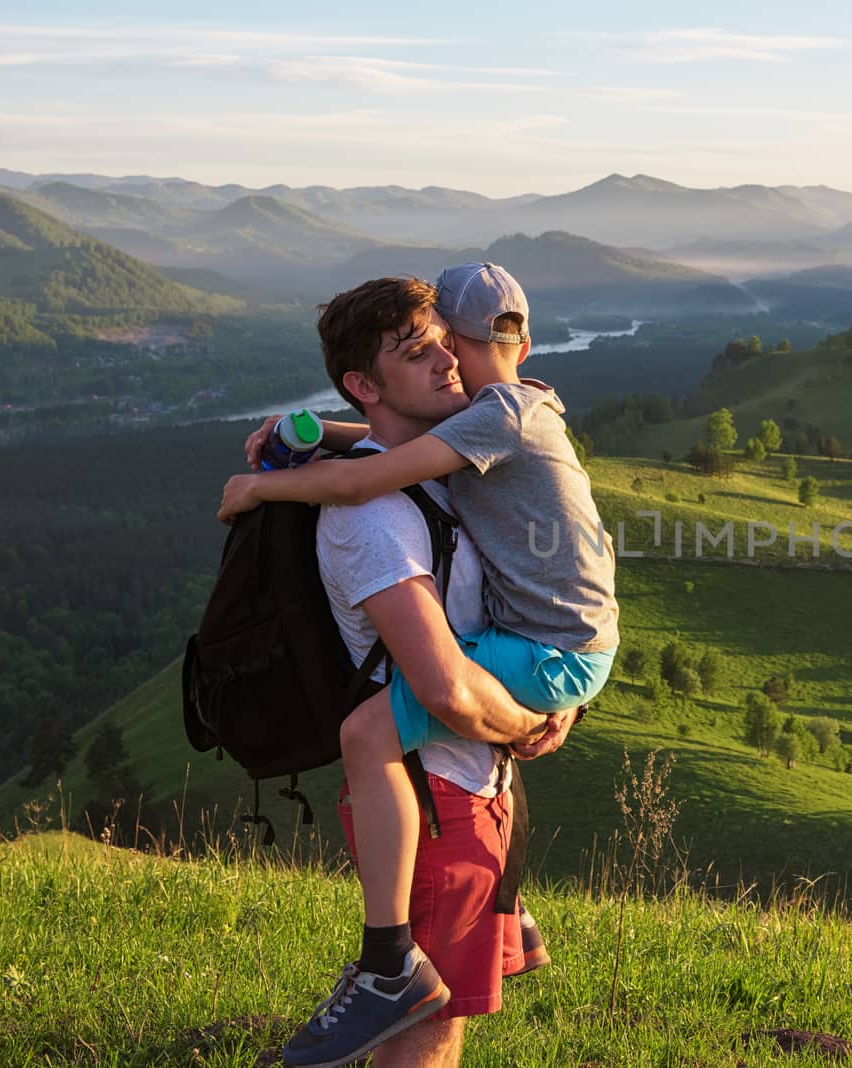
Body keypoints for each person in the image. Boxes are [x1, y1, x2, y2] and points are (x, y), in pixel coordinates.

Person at [221, 265, 619, 1066]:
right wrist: (530, 721)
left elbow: (386, 448)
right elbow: (441, 685)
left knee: (440, 1025)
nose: (445, 362)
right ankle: (386, 959)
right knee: (424, 1033)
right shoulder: (374, 516)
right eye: (419, 352)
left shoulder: (477, 430)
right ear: (365, 382)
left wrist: (296, 451)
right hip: (439, 800)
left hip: (474, 782)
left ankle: (430, 940)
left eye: (448, 344)